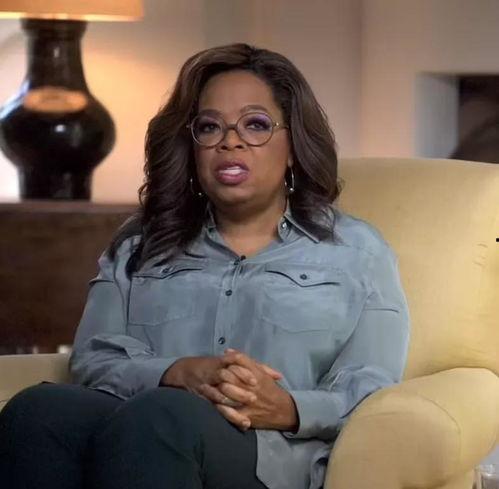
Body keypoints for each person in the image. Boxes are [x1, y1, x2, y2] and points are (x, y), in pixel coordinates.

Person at [0, 43, 410, 489]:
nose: (230, 141)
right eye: (209, 127)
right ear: (192, 148)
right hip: (141, 432)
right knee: (40, 411)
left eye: (256, 124)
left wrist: (287, 408)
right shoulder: (141, 242)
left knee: (160, 417)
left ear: (293, 146)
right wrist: (178, 373)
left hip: (269, 454)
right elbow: (94, 358)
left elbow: (371, 384)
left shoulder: (355, 250)